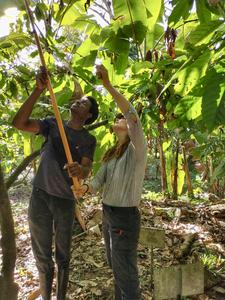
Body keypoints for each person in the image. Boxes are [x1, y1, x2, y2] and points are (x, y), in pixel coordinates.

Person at [12, 67, 99, 300]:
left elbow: (86, 169)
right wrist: (38, 90)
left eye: (83, 104)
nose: (77, 103)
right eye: (78, 101)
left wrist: (79, 170)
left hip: (64, 201)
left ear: (88, 116)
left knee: (63, 257)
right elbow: (19, 122)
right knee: (42, 256)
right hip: (40, 196)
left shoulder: (88, 139)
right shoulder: (52, 124)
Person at [72, 65, 147, 300]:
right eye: (119, 118)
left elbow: (131, 114)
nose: (120, 120)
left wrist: (108, 86)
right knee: (115, 266)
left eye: (122, 118)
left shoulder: (137, 149)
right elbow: (97, 182)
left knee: (125, 270)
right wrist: (83, 188)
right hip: (109, 214)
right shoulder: (112, 154)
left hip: (125, 216)